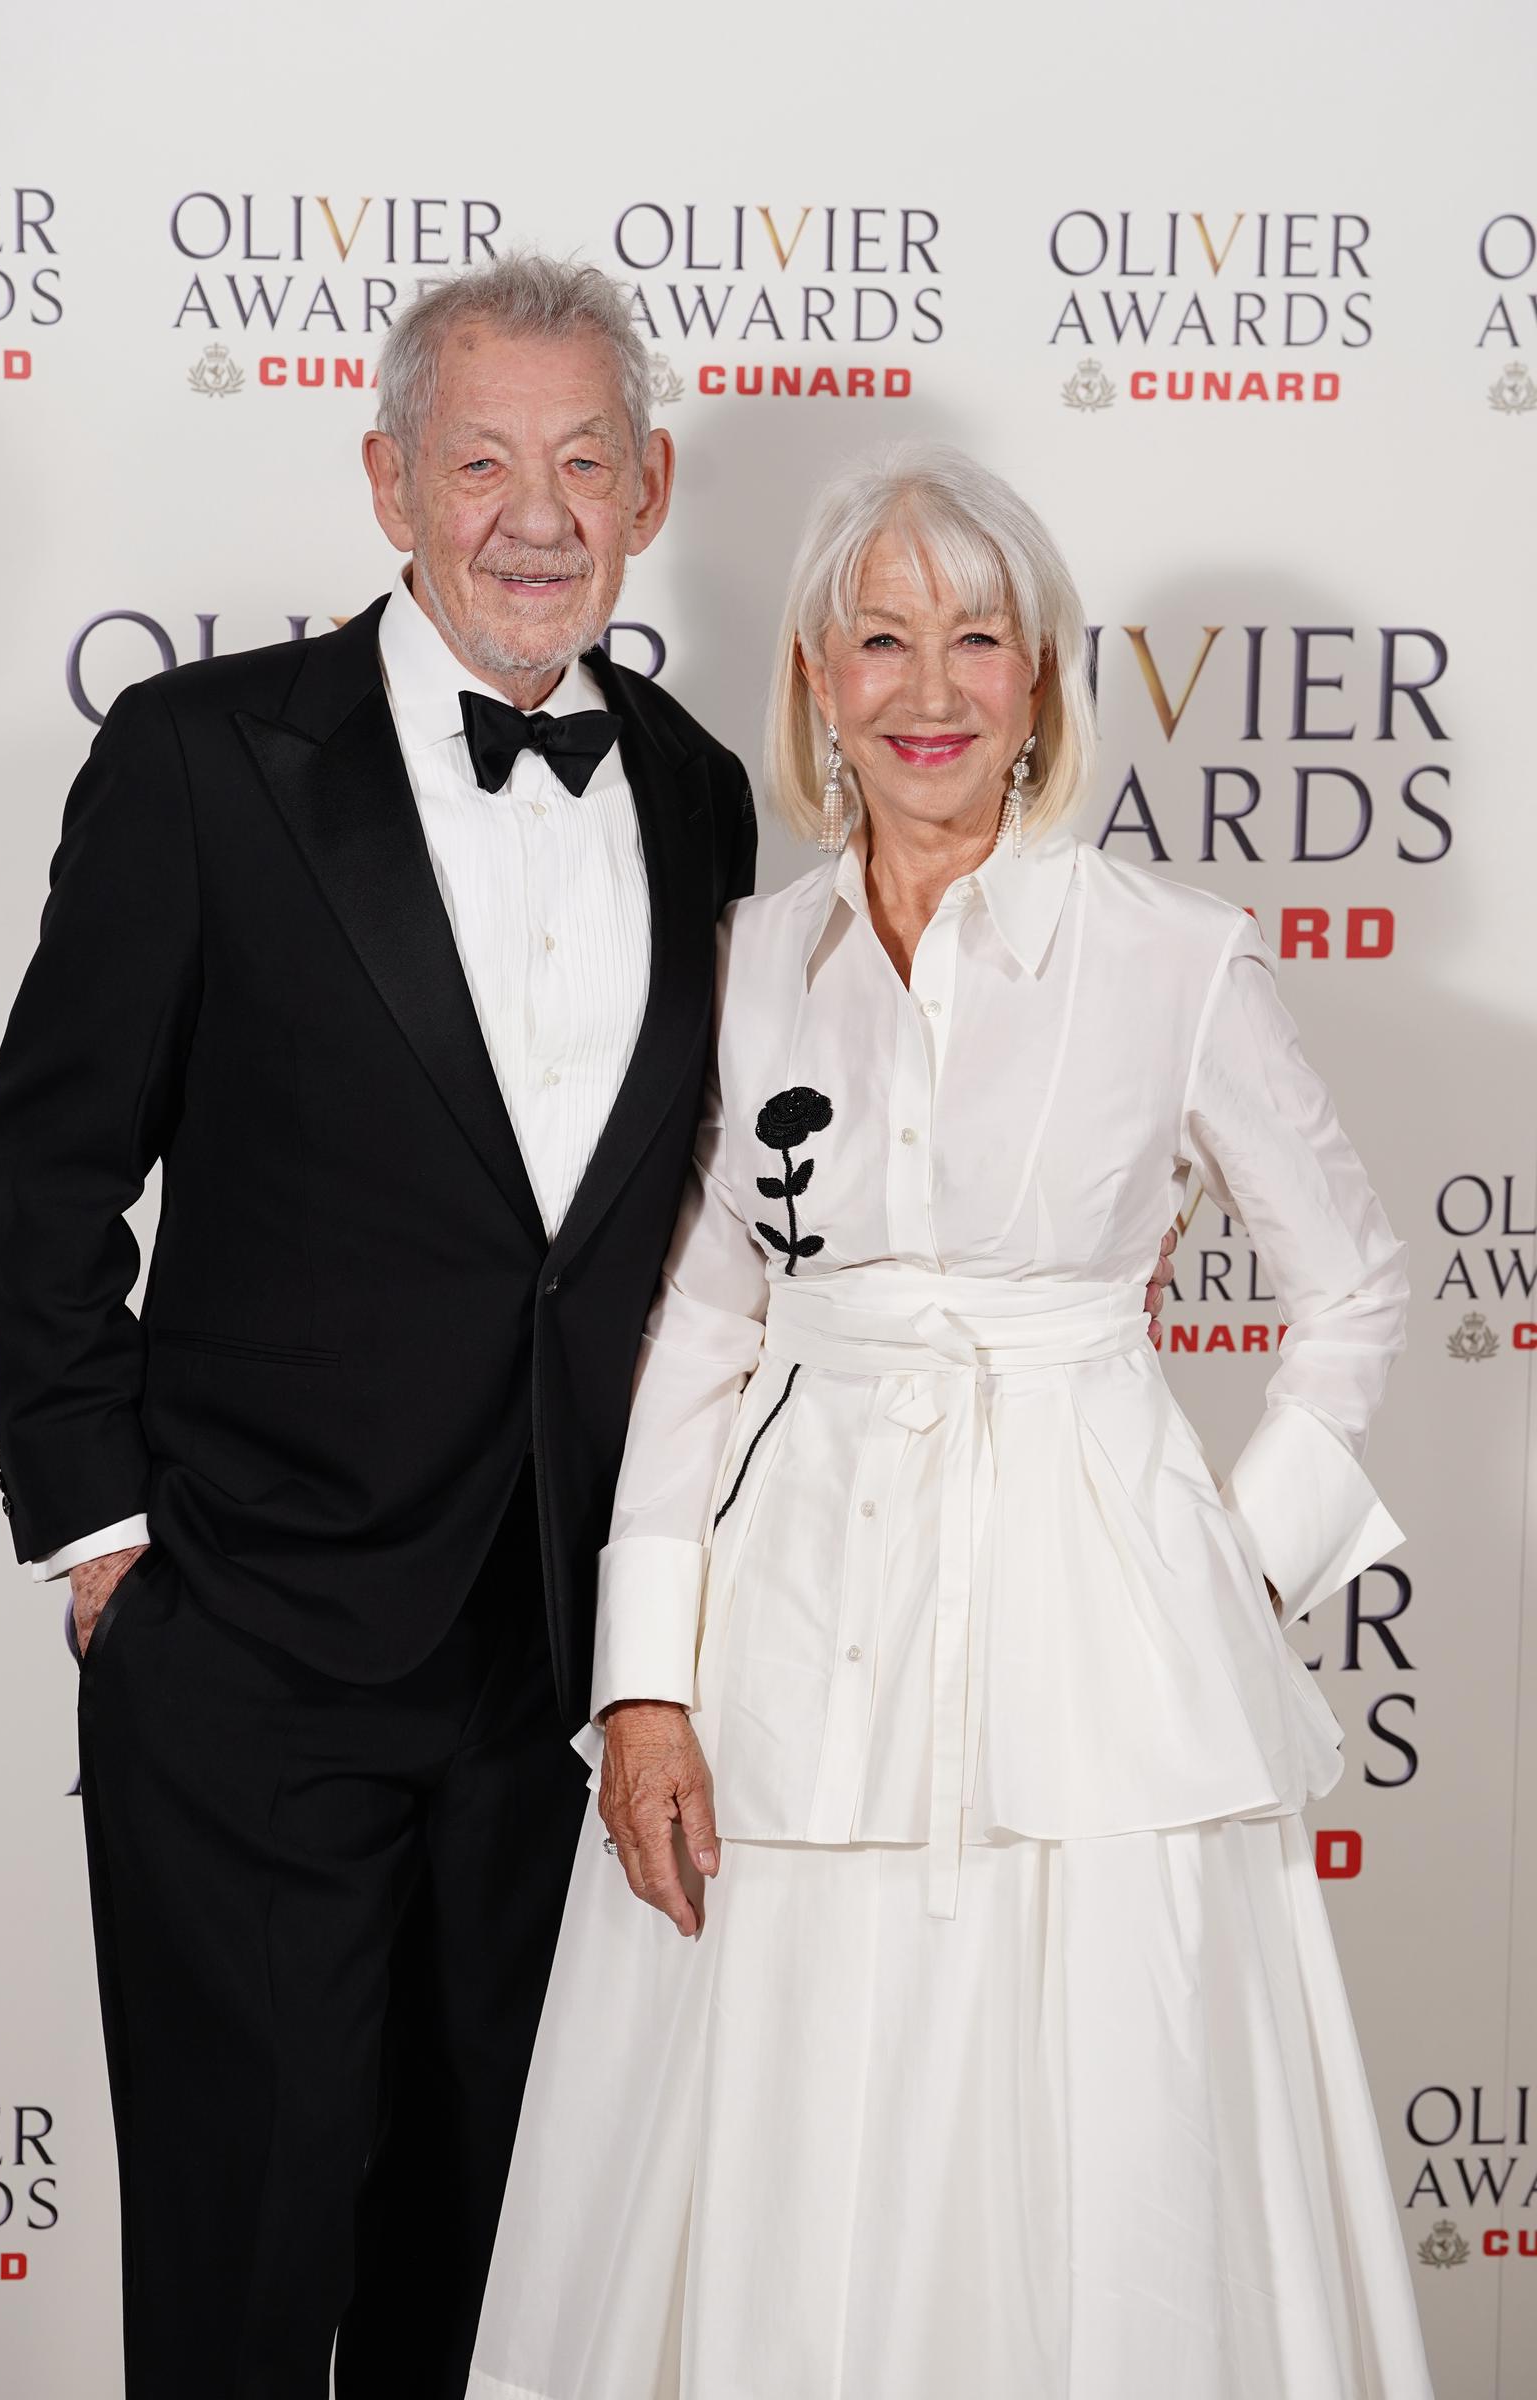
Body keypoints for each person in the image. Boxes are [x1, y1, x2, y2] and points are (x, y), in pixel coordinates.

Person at [467, 445, 1436, 2400]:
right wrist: (643, 1681)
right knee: (778, 2097)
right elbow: (696, 1323)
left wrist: (1223, 1566)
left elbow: (1352, 1283)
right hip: (787, 1646)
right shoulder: (743, 972)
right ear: (817, 683)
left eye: (974, 641)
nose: (928, 690)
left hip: (1099, 1657)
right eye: (880, 642)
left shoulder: (1167, 961)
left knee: (1108, 2115)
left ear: (1040, 681)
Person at [0, 253, 764, 2400]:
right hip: (247, 1656)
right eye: (481, 459)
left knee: (497, 2283)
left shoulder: (695, 789)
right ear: (388, 482)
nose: (534, 512)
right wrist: (102, 1538)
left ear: (652, 486)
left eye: (581, 462)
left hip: (554, 1694)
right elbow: (49, 1171)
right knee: (238, 2281)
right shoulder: (204, 761)